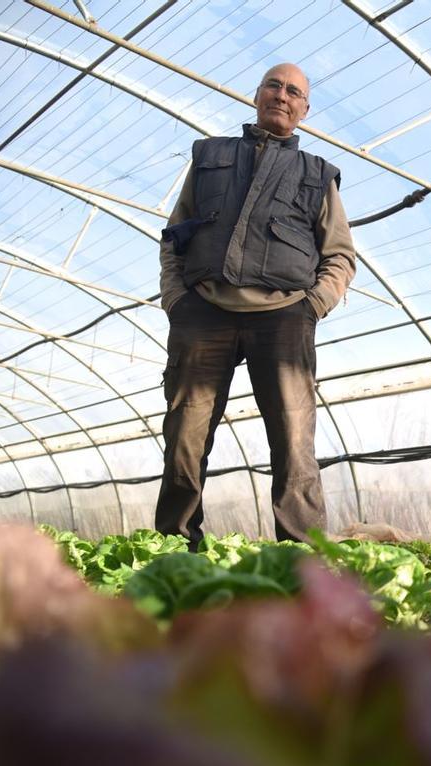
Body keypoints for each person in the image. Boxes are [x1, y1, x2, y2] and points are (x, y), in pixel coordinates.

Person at [155, 63, 355, 549]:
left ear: (304, 111)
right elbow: (174, 233)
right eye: (274, 85)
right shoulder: (210, 156)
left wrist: (311, 307)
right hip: (203, 312)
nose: (282, 95)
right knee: (186, 435)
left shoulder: (317, 174)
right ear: (257, 94)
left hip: (283, 318)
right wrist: (176, 298)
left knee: (293, 442)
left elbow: (341, 255)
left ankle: (301, 556)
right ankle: (176, 546)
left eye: (294, 92)